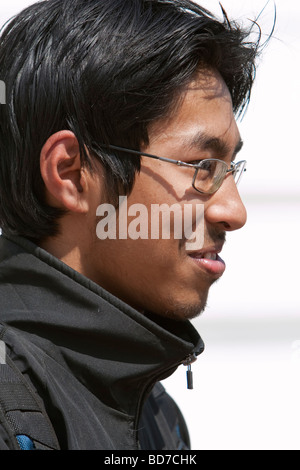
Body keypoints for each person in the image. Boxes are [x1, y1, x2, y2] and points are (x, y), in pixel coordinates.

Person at [0, 0, 261, 450]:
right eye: (201, 165)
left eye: (230, 168)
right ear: (71, 174)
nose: (233, 212)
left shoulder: (157, 412)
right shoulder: (11, 406)